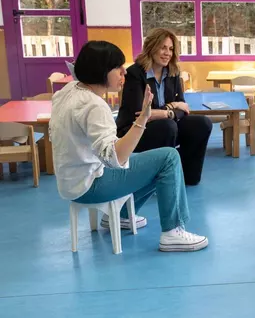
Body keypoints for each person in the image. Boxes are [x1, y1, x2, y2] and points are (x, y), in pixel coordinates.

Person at [50, 41, 208, 252]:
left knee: (154, 162)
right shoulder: (95, 105)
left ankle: (123, 215)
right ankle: (173, 231)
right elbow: (116, 158)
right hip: (90, 185)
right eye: (118, 67)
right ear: (102, 71)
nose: (123, 71)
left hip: (70, 182)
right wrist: (143, 118)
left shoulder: (68, 91)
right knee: (168, 158)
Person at [116, 28, 212, 186]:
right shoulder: (135, 73)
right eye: (163, 47)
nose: (167, 53)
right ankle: (162, 179)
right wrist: (171, 109)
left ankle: (188, 176)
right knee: (168, 126)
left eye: (171, 49)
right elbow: (140, 114)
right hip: (134, 131)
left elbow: (184, 108)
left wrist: (168, 111)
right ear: (152, 47)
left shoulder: (173, 72)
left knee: (202, 123)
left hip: (167, 126)